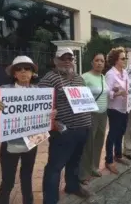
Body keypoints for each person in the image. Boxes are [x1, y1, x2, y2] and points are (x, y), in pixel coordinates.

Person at [0, 56, 56, 204]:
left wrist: (51, 114)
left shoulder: (39, 92)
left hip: (31, 142)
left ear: (32, 72)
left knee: (27, 177)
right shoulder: (4, 91)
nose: (23, 72)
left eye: (27, 68)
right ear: (14, 74)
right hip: (10, 143)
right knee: (8, 180)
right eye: (19, 69)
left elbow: (45, 112)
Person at [39, 48, 92, 204]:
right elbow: (41, 106)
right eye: (64, 58)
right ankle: (50, 200)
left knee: (75, 161)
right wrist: (53, 123)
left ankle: (72, 186)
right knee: (55, 167)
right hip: (63, 132)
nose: (67, 60)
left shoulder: (79, 78)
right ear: (55, 61)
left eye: (70, 58)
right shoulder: (49, 79)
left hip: (83, 128)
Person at [79, 53, 109, 184]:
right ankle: (83, 174)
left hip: (103, 114)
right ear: (92, 62)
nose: (100, 63)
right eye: (97, 60)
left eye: (102, 61)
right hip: (90, 114)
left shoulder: (103, 77)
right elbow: (79, 96)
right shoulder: (85, 77)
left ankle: (94, 167)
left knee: (98, 142)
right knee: (88, 145)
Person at [105, 47, 130, 174]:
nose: (125, 60)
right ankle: (109, 160)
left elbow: (129, 86)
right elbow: (107, 92)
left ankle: (118, 155)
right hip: (114, 109)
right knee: (113, 134)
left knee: (121, 132)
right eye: (122, 58)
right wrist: (117, 93)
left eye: (126, 58)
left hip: (124, 108)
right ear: (116, 60)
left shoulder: (125, 72)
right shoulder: (110, 74)